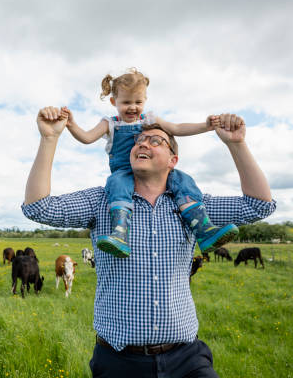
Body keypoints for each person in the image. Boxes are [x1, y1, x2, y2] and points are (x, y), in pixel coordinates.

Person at [22, 107, 275, 377]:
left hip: (187, 358)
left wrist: (237, 144)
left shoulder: (193, 206)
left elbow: (259, 206)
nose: (142, 143)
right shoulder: (101, 201)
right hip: (119, 362)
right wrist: (49, 139)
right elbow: (38, 208)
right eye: (138, 141)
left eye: (156, 141)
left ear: (172, 160)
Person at [60, 68, 238, 258]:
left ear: (145, 101)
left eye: (138, 102)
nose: (133, 107)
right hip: (124, 171)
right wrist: (71, 124)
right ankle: (120, 234)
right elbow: (87, 138)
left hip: (155, 172)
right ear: (114, 102)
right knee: (116, 184)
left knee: (183, 180)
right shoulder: (110, 124)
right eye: (126, 102)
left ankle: (204, 230)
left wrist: (206, 126)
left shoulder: (149, 119)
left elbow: (176, 128)